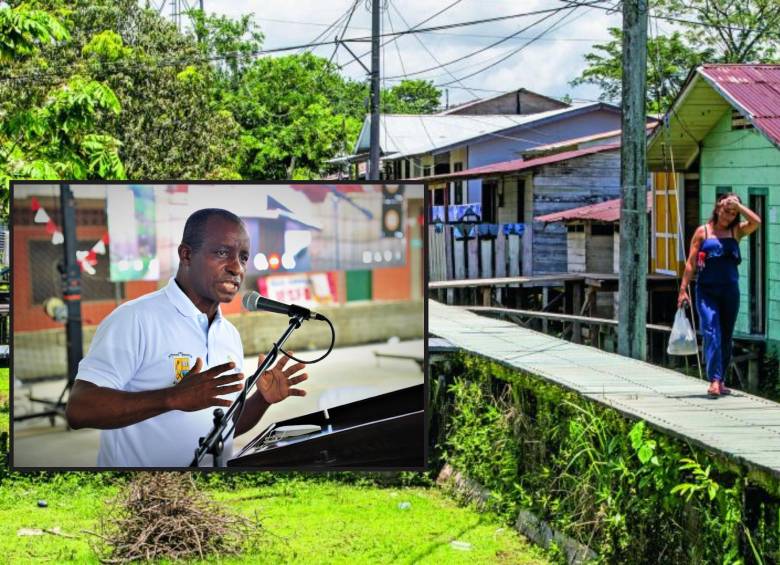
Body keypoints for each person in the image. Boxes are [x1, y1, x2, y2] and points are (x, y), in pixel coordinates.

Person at [65, 208, 309, 466]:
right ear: (187, 255)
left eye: (244, 257)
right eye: (222, 253)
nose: (237, 268)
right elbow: (80, 409)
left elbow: (221, 431)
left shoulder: (228, 334)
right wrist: (171, 398)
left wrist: (261, 400)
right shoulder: (134, 319)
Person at [678, 193, 761, 397]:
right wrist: (683, 289)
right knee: (711, 330)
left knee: (725, 335)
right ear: (717, 208)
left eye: (733, 213)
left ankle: (720, 379)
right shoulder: (703, 232)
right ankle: (714, 380)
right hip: (706, 290)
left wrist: (738, 207)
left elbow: (756, 222)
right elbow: (690, 262)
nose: (728, 216)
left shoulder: (736, 231)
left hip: (729, 290)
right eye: (726, 211)